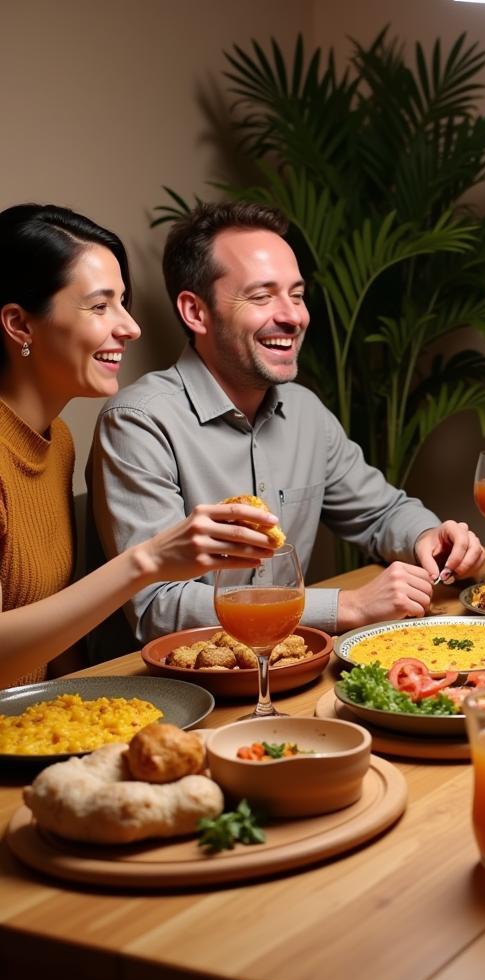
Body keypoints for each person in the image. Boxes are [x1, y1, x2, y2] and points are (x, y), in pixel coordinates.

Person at [87, 200, 485, 658]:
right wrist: (346, 606)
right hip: (169, 694)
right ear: (196, 312)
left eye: (296, 295)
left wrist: (426, 537)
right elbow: (158, 607)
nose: (293, 316)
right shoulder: (138, 423)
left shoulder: (305, 412)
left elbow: (380, 513)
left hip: (291, 674)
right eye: (262, 296)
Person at [0, 203, 279, 687]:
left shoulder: (57, 440)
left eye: (123, 302)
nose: (130, 326)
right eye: (100, 305)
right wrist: (147, 560)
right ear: (20, 325)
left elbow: (57, 632)